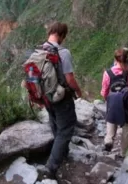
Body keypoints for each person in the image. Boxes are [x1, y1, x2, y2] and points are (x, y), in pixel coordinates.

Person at [38, 22, 82, 179]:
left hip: (46, 97)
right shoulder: (63, 53)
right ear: (62, 35)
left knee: (56, 124)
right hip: (61, 97)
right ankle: (50, 168)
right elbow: (69, 78)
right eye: (64, 36)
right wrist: (78, 90)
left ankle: (62, 153)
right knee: (66, 128)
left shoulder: (40, 50)